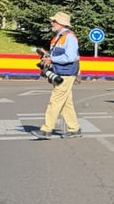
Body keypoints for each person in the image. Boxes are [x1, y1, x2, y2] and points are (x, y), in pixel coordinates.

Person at [31, 11, 83, 139]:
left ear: (61, 23)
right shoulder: (58, 37)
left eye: (54, 21)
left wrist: (52, 59)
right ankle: (74, 129)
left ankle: (47, 129)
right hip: (60, 72)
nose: (52, 23)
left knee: (55, 101)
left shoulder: (69, 37)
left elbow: (70, 57)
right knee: (66, 103)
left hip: (66, 73)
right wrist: (47, 57)